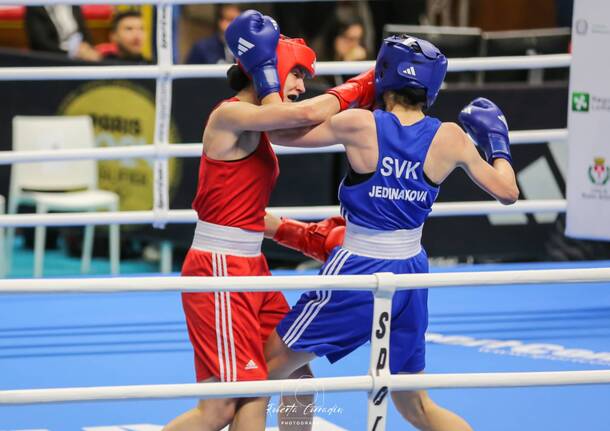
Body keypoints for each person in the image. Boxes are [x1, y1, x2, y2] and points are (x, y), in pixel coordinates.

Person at [263, 35, 520, 431]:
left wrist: (345, 93)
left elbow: (278, 132)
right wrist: (497, 145)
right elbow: (507, 191)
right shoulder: (450, 137)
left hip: (359, 268)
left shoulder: (359, 123)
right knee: (414, 403)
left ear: (380, 74)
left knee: (269, 364)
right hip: (412, 273)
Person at [163, 9, 375, 431]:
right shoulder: (231, 116)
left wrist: (297, 233)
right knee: (227, 405)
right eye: (294, 73)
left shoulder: (258, 125)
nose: (299, 85)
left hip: (249, 265)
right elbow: (299, 116)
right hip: (221, 269)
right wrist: (361, 85)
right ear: (269, 68)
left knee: (297, 376)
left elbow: (244, 206)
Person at [25, 5, 101, 62]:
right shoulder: (35, 7)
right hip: (54, 58)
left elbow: (84, 30)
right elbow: (41, 43)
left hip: (82, 52)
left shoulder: (73, 4)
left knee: (99, 59)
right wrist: (72, 52)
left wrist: (87, 46)